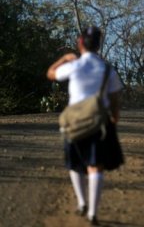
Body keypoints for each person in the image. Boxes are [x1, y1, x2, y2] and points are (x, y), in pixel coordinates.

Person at [47, 26, 124, 225]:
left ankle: (81, 202)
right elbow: (114, 100)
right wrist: (114, 118)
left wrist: (65, 58)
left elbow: (51, 74)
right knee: (95, 167)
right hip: (99, 122)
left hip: (74, 122)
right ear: (99, 45)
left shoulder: (74, 66)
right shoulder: (108, 70)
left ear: (80, 43)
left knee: (75, 164)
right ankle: (92, 213)